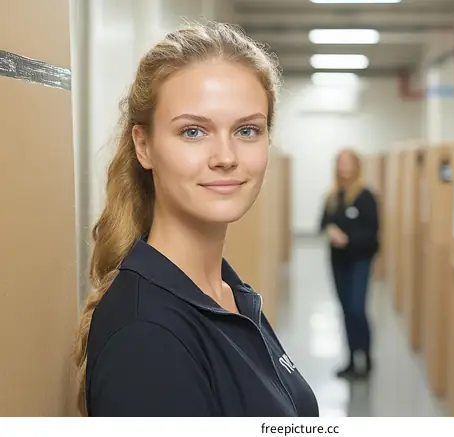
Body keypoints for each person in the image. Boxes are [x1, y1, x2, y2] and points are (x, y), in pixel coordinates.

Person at [74, 21, 319, 417]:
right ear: (144, 146)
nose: (226, 156)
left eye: (247, 130)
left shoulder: (229, 294)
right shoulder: (147, 338)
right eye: (193, 131)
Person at [319, 149, 380, 380]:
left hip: (359, 261)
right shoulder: (333, 196)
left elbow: (373, 233)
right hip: (338, 262)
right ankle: (352, 359)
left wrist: (349, 239)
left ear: (357, 166)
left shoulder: (365, 196)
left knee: (357, 308)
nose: (344, 167)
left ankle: (366, 355)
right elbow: (323, 222)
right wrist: (330, 229)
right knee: (345, 310)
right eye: (340, 163)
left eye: (348, 162)